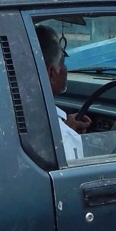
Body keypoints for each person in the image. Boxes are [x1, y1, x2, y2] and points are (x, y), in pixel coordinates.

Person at [36, 25, 90, 159]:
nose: (65, 69)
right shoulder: (64, 141)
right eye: (63, 61)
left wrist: (64, 124)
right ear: (51, 73)